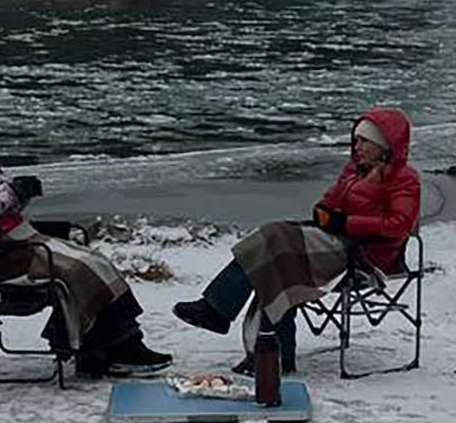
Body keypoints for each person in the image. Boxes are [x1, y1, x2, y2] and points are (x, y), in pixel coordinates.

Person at [0, 78, 172, 378]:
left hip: (13, 243)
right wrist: (10, 193)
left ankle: (110, 345)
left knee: (95, 261)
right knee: (78, 269)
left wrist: (19, 195)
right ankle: (113, 348)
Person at [173, 109, 420, 373]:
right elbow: (328, 202)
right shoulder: (353, 172)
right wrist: (324, 213)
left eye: (363, 141)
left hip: (365, 256)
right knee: (274, 257)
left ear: (383, 145)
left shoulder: (404, 179)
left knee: (274, 238)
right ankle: (272, 355)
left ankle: (221, 313)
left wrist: (344, 224)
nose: (356, 146)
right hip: (332, 243)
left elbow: (399, 226)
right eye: (355, 140)